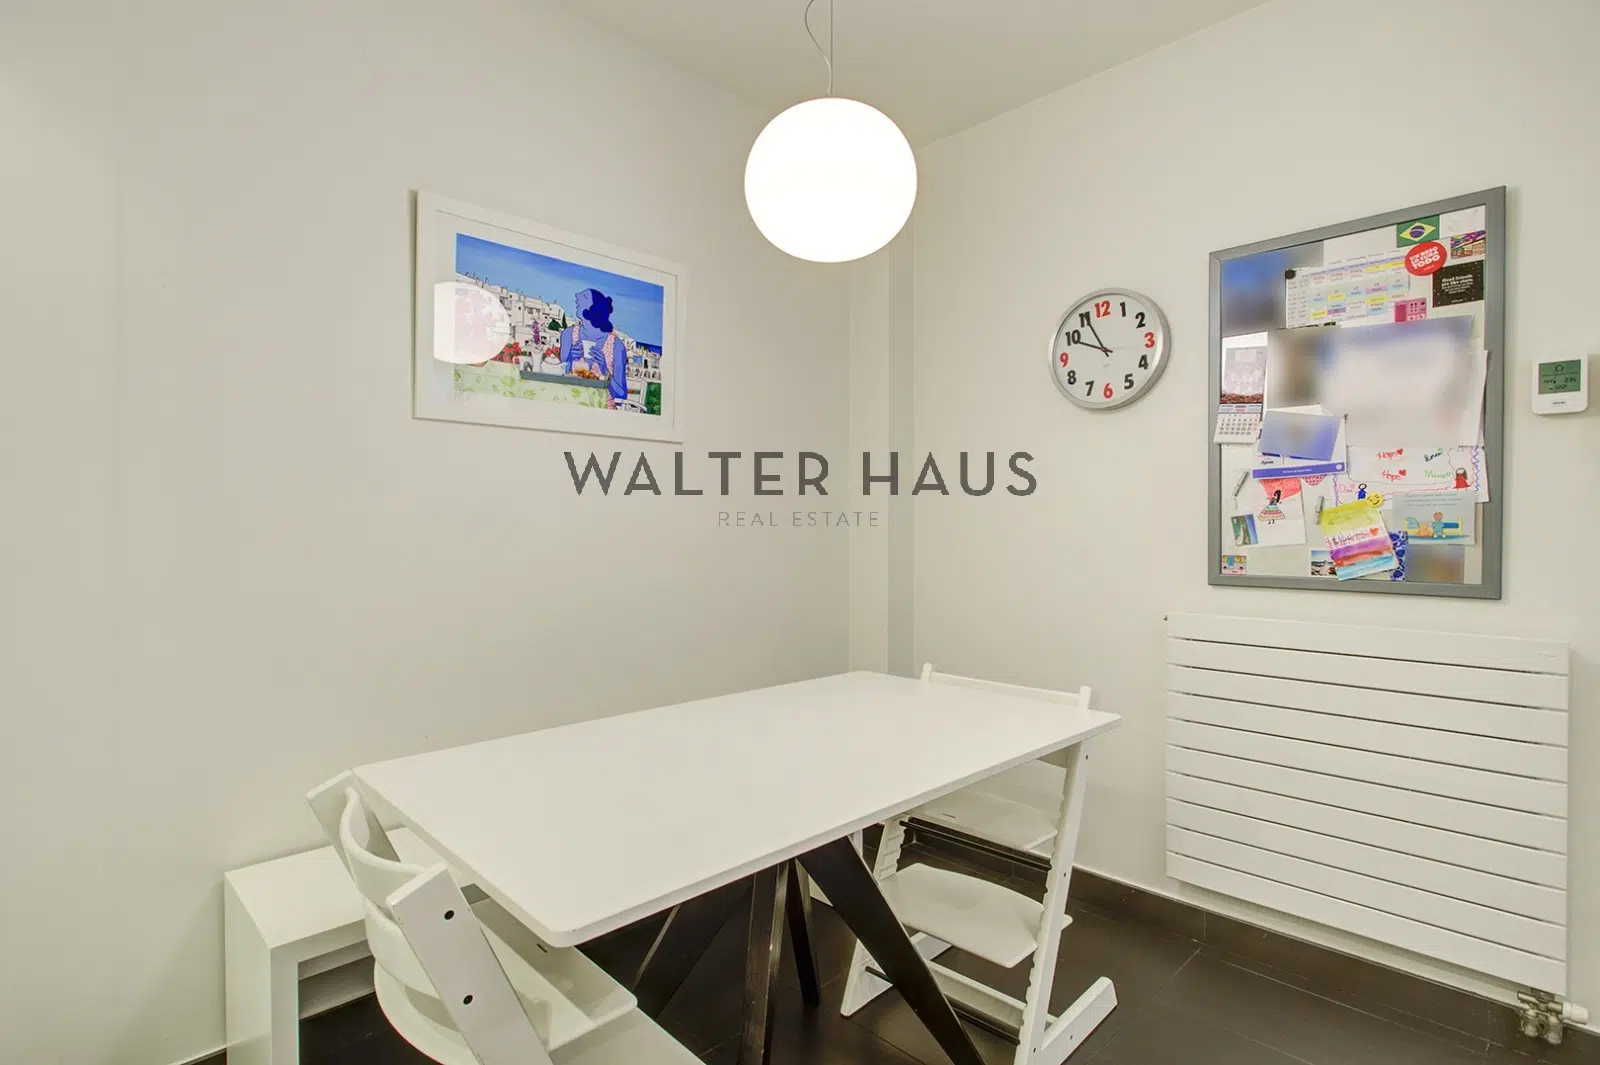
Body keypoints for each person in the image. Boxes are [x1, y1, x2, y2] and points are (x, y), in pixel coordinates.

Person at [559, 288, 628, 409]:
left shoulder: (616, 345)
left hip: (602, 409)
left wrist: (604, 370)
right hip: (569, 403)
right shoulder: (568, 335)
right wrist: (570, 359)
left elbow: (621, 394)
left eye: (584, 297)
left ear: (595, 309)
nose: (577, 297)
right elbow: (559, 378)